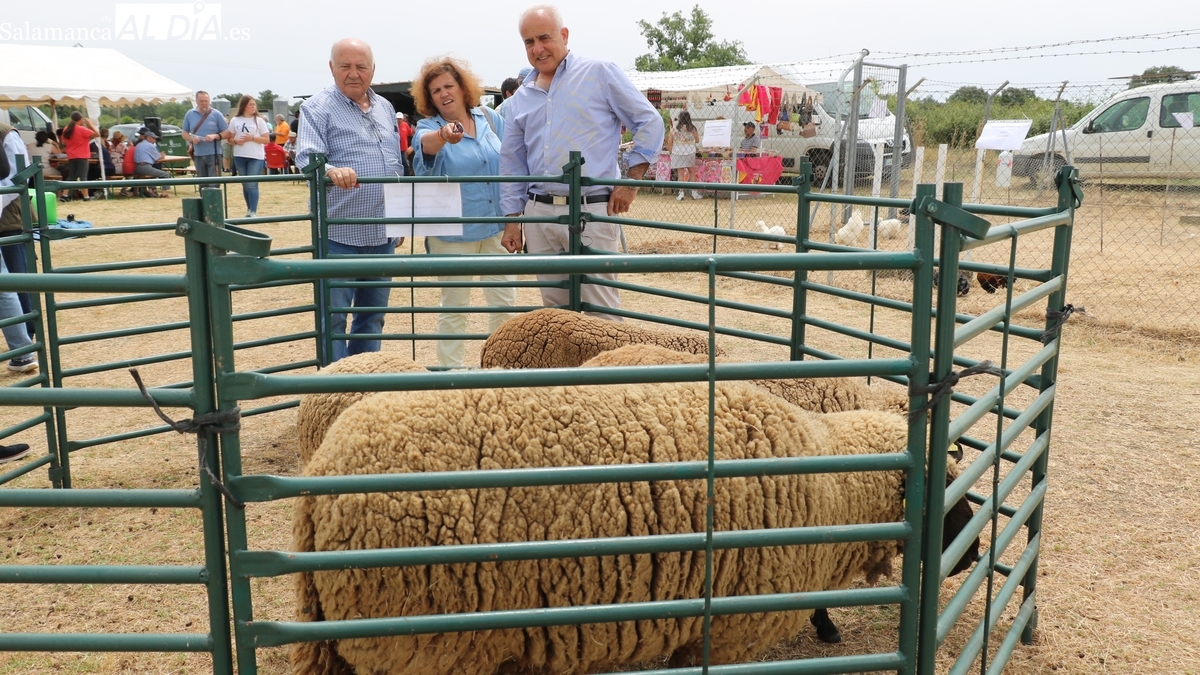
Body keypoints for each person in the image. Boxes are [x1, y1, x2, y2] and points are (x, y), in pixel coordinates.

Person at [499, 5, 663, 319]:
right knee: (555, 312)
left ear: (564, 35)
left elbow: (649, 122)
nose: (538, 48)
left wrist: (629, 184)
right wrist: (512, 220)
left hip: (592, 206)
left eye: (544, 38)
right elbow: (512, 162)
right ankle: (566, 369)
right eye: (529, 42)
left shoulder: (599, 73)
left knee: (600, 309)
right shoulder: (520, 99)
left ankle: (604, 369)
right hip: (540, 213)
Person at [295, 38, 406, 362]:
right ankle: (333, 393)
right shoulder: (316, 108)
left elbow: (395, 164)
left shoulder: (386, 108)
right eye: (345, 66)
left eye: (361, 66)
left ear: (373, 70)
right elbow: (306, 158)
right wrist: (331, 170)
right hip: (339, 233)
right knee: (334, 320)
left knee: (372, 318)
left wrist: (398, 219)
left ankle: (363, 388)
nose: (353, 73)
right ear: (332, 68)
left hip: (381, 233)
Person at [411, 56, 519, 368]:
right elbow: (426, 147)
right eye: (435, 91)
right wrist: (444, 136)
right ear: (428, 98)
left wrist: (514, 220)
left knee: (504, 306)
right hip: (453, 236)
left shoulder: (489, 118)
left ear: (462, 87)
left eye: (449, 85)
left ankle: (501, 372)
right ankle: (450, 378)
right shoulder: (427, 127)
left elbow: (511, 164)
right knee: (455, 309)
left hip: (496, 229)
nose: (444, 93)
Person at [0, 122, 39, 374]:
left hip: (10, 220)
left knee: (16, 283)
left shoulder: (7, 134)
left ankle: (27, 342)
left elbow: (17, 177)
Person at [229, 95, 271, 218]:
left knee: (252, 183)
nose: (253, 107)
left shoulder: (259, 120)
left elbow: (266, 139)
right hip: (239, 155)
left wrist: (251, 138)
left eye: (254, 104)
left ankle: (253, 211)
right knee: (245, 183)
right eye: (250, 104)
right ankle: (248, 208)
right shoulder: (235, 120)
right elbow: (230, 138)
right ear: (244, 106)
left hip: (255, 156)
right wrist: (236, 141)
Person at [183, 91, 231, 189]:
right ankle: (204, 202)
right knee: (202, 183)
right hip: (198, 154)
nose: (204, 103)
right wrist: (192, 139)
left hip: (214, 154)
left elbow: (227, 133)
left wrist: (215, 136)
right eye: (201, 101)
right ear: (196, 101)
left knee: (214, 183)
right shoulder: (190, 114)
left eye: (206, 101)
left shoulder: (217, 114)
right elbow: (184, 133)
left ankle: (214, 203)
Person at [60, 111, 99, 201]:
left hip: (71, 155)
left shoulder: (66, 129)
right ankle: (86, 196)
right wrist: (90, 124)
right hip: (82, 155)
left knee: (71, 176)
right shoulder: (82, 129)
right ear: (81, 119)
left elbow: (63, 143)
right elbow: (97, 134)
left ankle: (65, 194)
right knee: (83, 176)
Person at [668, 111, 702, 200]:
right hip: (690, 151)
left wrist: (671, 152)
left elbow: (670, 142)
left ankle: (681, 193)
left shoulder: (674, 129)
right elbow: (697, 140)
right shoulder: (693, 128)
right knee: (691, 172)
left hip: (678, 152)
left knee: (680, 173)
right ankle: (694, 193)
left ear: (679, 118)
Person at [132, 129, 170, 197]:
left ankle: (144, 191)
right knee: (165, 174)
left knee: (153, 171)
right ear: (148, 138)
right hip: (145, 167)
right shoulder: (150, 145)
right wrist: (162, 155)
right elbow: (157, 158)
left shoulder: (139, 144)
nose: (155, 140)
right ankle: (164, 193)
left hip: (136, 167)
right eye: (153, 138)